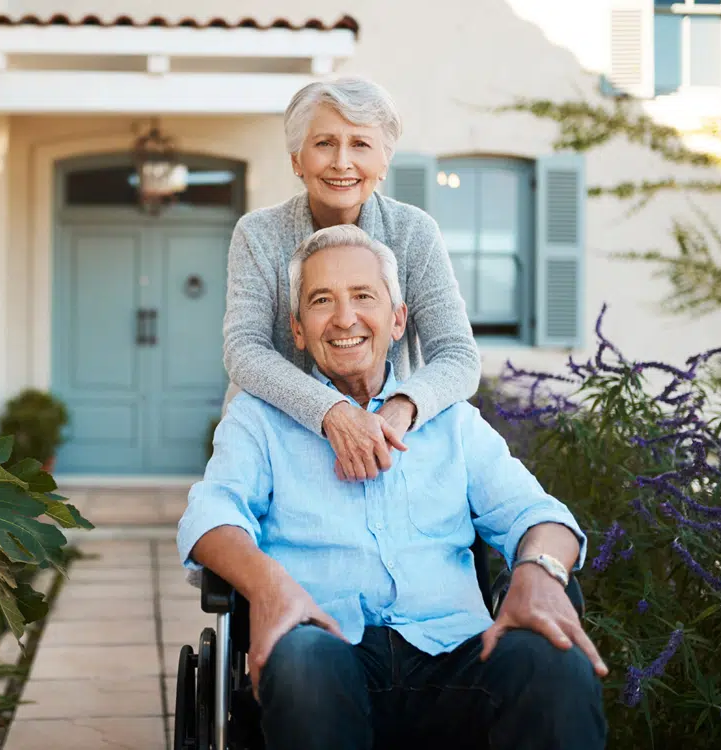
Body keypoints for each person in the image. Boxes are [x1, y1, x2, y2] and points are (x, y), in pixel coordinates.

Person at [180, 225, 607, 750]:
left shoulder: (451, 422)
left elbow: (539, 516)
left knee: (550, 658)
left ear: (398, 318)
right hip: (325, 645)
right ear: (296, 329)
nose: (344, 318)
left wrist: (541, 571)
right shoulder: (259, 420)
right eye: (321, 301)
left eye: (364, 296)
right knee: (305, 661)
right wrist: (269, 589)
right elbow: (210, 516)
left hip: (457, 654)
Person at [223, 76, 481, 482]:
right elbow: (244, 350)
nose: (342, 161)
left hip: (385, 439)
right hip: (273, 439)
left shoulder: (414, 233)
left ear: (383, 162)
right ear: (296, 159)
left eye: (360, 144)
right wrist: (332, 411)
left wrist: (399, 408)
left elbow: (459, 356)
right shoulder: (258, 234)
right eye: (324, 143)